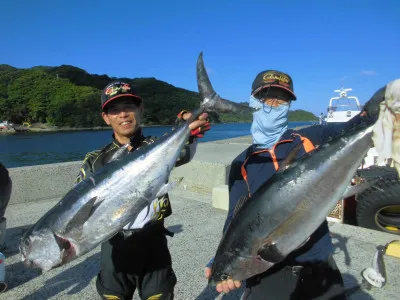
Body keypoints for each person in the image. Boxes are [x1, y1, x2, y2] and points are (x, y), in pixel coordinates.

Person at [204, 70, 383, 299]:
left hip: (319, 264)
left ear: (288, 105)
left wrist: (375, 107)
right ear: (253, 102)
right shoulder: (242, 163)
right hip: (270, 276)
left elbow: (357, 125)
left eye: (282, 98)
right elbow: (236, 219)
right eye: (266, 97)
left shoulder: (311, 138)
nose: (274, 104)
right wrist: (221, 259)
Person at [76, 81, 210, 300]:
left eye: (129, 107)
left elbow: (183, 152)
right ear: (106, 117)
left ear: (140, 110)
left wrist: (188, 127)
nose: (123, 115)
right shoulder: (94, 161)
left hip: (153, 242)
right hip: (113, 248)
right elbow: (80, 206)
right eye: (115, 110)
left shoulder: (158, 145)